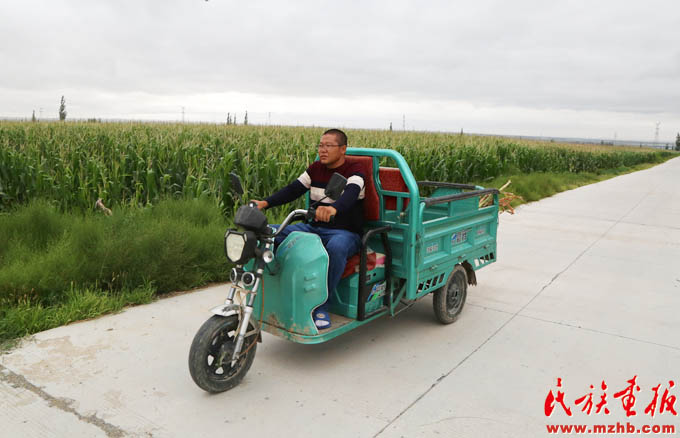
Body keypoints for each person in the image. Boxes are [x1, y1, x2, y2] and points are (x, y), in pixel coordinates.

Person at [251, 128, 365, 329]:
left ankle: (321, 305)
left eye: (328, 146)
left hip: (345, 232)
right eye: (320, 145)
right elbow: (293, 189)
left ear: (343, 149)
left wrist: (334, 209)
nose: (323, 150)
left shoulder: (355, 170)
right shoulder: (315, 168)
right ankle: (275, 290)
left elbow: (350, 194)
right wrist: (265, 203)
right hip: (313, 228)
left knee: (336, 248)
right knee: (269, 233)